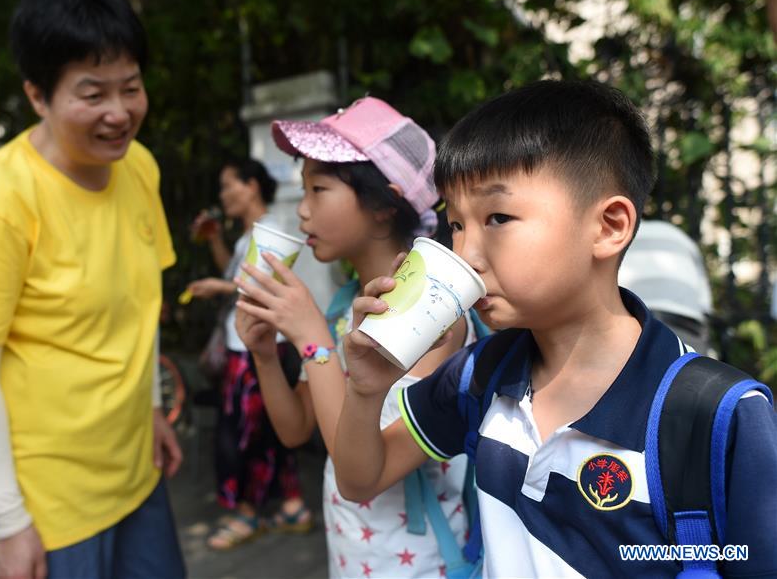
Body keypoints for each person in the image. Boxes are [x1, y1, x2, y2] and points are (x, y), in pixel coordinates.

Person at [332, 81, 777, 577]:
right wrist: (367, 388)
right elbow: (360, 480)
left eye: (498, 217)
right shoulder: (480, 374)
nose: (466, 254)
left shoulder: (714, 413)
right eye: (456, 225)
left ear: (609, 226)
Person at [0, 0, 185, 578]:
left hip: (137, 474)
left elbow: (141, 308)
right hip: (48, 510)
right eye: (92, 94)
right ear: (37, 95)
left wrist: (152, 407)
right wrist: (8, 522)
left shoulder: (138, 167)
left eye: (131, 87)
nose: (119, 112)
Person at [234, 97, 478, 578]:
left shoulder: (434, 317)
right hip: (352, 560)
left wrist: (313, 341)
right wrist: (265, 354)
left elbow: (358, 473)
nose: (302, 210)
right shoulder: (344, 307)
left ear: (384, 204)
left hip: (422, 566)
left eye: (319, 189)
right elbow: (296, 430)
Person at [186, 159, 309, 550]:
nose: (223, 195)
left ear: (252, 185)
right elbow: (235, 277)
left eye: (228, 185)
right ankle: (292, 505)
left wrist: (216, 287)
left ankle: (246, 512)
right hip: (253, 344)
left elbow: (259, 289)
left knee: (243, 435)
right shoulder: (249, 236)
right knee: (268, 430)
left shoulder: (270, 230)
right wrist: (214, 242)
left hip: (256, 347)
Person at [618, 219, 713, 355]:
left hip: (633, 319)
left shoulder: (618, 236)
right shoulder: (680, 237)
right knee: (688, 366)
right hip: (684, 322)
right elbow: (705, 303)